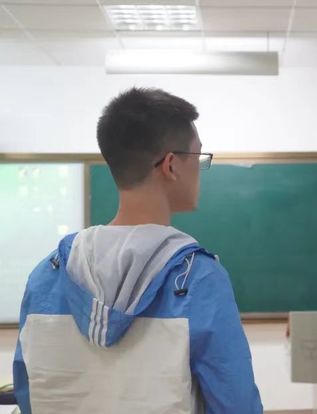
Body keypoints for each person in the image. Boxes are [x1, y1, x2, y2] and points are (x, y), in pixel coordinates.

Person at [13, 87, 263, 414]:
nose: (201, 168)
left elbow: (29, 390)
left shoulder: (47, 275)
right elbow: (236, 404)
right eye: (198, 157)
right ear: (171, 165)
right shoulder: (197, 279)